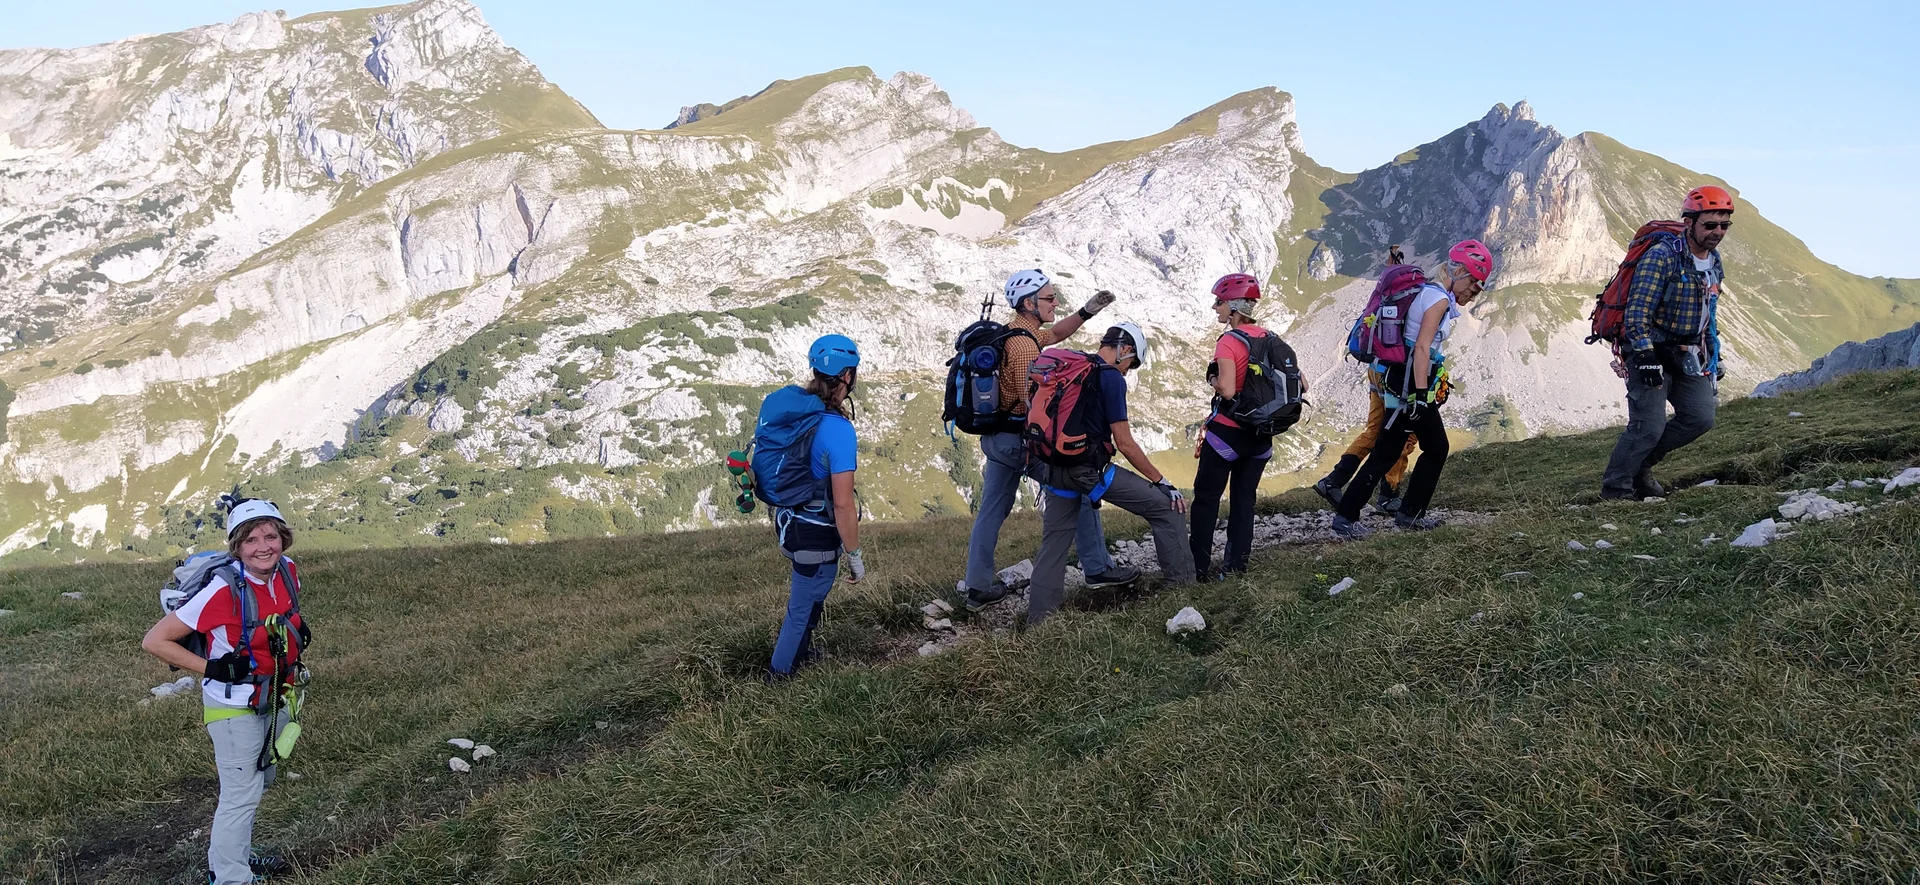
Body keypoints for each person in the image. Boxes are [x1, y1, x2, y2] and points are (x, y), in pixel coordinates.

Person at [141, 499, 308, 885]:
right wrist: (213, 668)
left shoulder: (287, 572)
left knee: (258, 782)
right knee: (241, 794)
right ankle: (231, 877)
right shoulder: (222, 590)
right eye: (251, 540)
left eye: (271, 536)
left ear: (283, 538)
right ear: (237, 547)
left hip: (276, 694)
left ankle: (237, 856)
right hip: (233, 707)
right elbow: (155, 640)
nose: (263, 547)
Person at [960, 269, 1136, 612]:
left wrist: (1087, 312)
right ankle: (1098, 568)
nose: (1055, 303)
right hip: (1016, 442)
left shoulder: (1015, 333)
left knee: (991, 511)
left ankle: (977, 588)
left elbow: (1054, 333)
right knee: (1078, 487)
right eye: (1049, 298)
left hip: (996, 438)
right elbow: (1036, 402)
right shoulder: (1025, 347)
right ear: (1029, 303)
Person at [1027, 323, 1197, 623]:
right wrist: (1162, 482)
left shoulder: (1071, 367)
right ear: (1125, 350)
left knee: (1054, 544)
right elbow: (1126, 444)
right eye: (1131, 365)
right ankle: (1180, 590)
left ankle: (1038, 622)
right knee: (1167, 509)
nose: (1127, 372)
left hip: (1052, 469)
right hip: (1090, 472)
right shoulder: (1110, 379)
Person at [1331, 240, 1494, 537]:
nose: (1474, 290)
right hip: (1411, 384)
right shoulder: (1438, 299)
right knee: (1437, 448)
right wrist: (1419, 396)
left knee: (1387, 450)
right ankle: (1408, 515)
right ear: (1458, 271)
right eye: (1473, 281)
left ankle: (1347, 517)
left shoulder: (1427, 292)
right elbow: (1421, 347)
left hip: (1400, 379)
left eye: (1479, 285)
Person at [1600, 186, 1733, 500]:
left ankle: (1641, 467)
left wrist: (1714, 354)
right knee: (1648, 425)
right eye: (1710, 225)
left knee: (1700, 417)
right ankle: (1616, 491)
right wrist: (1644, 355)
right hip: (1650, 348)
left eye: (1724, 225)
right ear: (1689, 223)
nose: (1717, 232)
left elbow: (1709, 313)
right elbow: (1637, 310)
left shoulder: (1714, 262)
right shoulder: (1663, 256)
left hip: (1689, 351)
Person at [757, 334, 867, 678]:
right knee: (801, 607)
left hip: (792, 521)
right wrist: (855, 557)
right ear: (847, 376)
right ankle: (779, 675)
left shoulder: (800, 414)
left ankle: (800, 653)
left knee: (812, 593)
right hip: (816, 532)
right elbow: (844, 505)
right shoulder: (838, 430)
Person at [1188, 273, 1304, 578]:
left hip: (1226, 434)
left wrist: (1212, 378)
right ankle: (1236, 568)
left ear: (1235, 308)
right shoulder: (1272, 338)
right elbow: (1301, 382)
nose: (1216, 307)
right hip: (1260, 437)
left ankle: (1197, 570)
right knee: (1244, 502)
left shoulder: (1228, 341)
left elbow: (1226, 390)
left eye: (1220, 302)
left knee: (1207, 500)